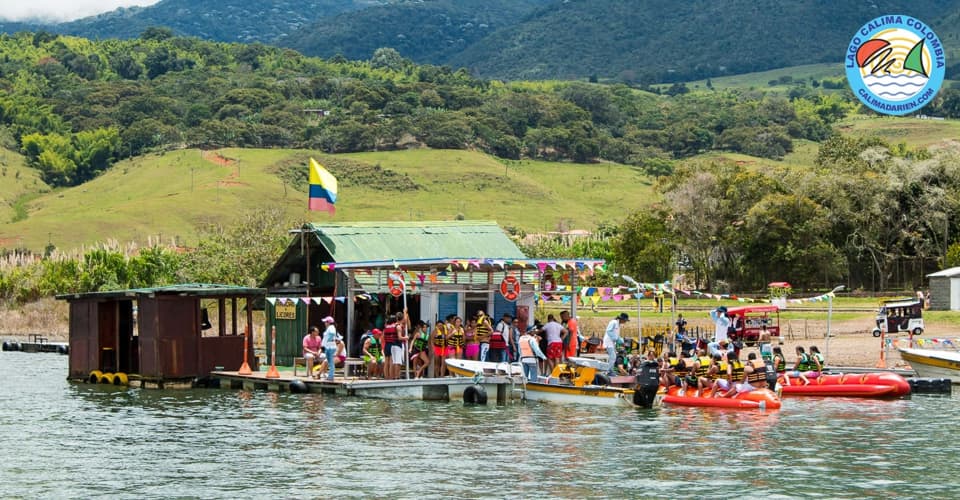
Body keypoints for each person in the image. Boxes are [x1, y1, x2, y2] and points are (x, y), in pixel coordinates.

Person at [320, 316, 338, 382]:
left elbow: (332, 334)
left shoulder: (331, 327)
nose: (324, 323)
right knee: (330, 362)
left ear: (328, 322)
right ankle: (330, 376)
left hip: (330, 347)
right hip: (328, 347)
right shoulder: (329, 328)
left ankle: (331, 376)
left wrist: (328, 340)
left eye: (325, 322)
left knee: (331, 362)